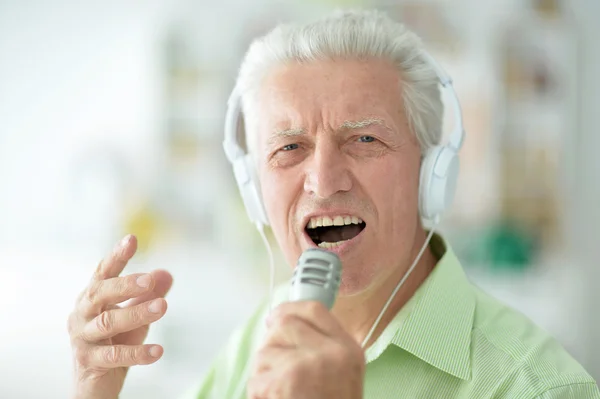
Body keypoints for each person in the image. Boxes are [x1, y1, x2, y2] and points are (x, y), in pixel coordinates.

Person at [67, 9, 600, 399]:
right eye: (288, 148)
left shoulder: (542, 388)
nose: (323, 181)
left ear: (431, 174)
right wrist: (96, 391)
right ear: (254, 190)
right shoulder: (267, 329)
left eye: (365, 140)